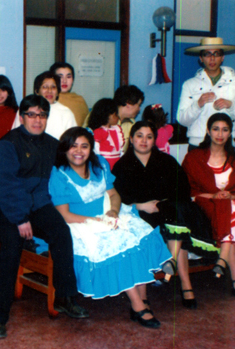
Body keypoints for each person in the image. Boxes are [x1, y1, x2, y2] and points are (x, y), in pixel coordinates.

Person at [0, 95, 88, 340]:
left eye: (42, 115)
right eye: (31, 114)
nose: (37, 120)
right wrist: (21, 219)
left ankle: (64, 296)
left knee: (61, 233)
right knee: (11, 248)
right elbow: (5, 186)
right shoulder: (7, 145)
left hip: (38, 204)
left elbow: (74, 161)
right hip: (10, 207)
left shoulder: (52, 144)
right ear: (21, 117)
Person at [49, 127, 172, 328]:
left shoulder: (100, 166)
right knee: (117, 244)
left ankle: (143, 300)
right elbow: (64, 214)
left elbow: (114, 195)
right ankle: (138, 305)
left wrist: (113, 212)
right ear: (65, 149)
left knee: (139, 234)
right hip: (79, 223)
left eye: (84, 146)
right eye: (73, 146)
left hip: (107, 214)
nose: (78, 151)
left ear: (91, 149)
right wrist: (95, 222)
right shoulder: (60, 175)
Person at [112, 121, 218, 309]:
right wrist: (141, 205)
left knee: (176, 216)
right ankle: (184, 282)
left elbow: (182, 189)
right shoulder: (122, 166)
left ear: (154, 140)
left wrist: (162, 204)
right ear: (131, 139)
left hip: (166, 210)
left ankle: (175, 266)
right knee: (174, 225)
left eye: (149, 137)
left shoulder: (167, 161)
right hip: (139, 213)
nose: (144, 141)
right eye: (139, 136)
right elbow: (118, 197)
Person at [182, 113, 235, 298]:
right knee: (230, 209)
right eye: (216, 129)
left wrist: (228, 195)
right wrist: (215, 196)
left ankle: (225, 262)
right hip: (204, 203)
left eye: (225, 130)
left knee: (230, 206)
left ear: (230, 133)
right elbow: (188, 190)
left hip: (232, 203)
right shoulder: (194, 157)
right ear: (208, 131)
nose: (220, 134)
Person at [176, 37, 235, 150]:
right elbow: (182, 120)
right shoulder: (189, 84)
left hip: (225, 145)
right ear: (201, 58)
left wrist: (231, 105)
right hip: (197, 144)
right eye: (207, 54)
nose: (212, 59)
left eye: (216, 54)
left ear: (222, 57)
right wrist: (198, 104)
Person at [11, 71, 77, 140]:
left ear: (58, 92)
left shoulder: (66, 112)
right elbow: (16, 136)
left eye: (53, 87)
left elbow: (73, 140)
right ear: (37, 91)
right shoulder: (26, 108)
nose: (49, 91)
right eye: (45, 87)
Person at [87, 98, 123, 169]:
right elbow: (95, 149)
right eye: (116, 114)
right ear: (108, 116)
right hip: (104, 163)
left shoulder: (116, 129)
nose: (118, 117)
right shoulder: (99, 131)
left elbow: (120, 148)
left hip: (117, 162)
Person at [49, 62, 89, 127]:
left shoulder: (80, 100)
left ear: (73, 80)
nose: (64, 81)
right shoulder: (49, 99)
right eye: (60, 77)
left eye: (68, 77)